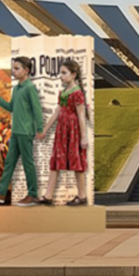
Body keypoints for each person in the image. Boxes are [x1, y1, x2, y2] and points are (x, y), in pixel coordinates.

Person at [0, 56, 43, 206]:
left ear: (26, 70)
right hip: (15, 132)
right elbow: (11, 108)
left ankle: (33, 195)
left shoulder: (29, 88)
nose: (13, 71)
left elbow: (37, 109)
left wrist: (40, 129)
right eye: (13, 68)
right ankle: (1, 192)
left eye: (17, 68)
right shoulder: (16, 89)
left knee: (28, 163)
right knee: (9, 163)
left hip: (26, 132)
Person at [37, 60, 91, 206]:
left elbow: (81, 116)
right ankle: (48, 195)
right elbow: (57, 112)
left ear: (73, 75)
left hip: (73, 132)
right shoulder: (63, 93)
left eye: (64, 73)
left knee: (76, 162)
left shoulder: (77, 93)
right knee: (56, 160)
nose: (60, 76)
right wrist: (45, 129)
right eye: (60, 73)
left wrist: (84, 137)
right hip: (62, 131)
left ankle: (82, 196)